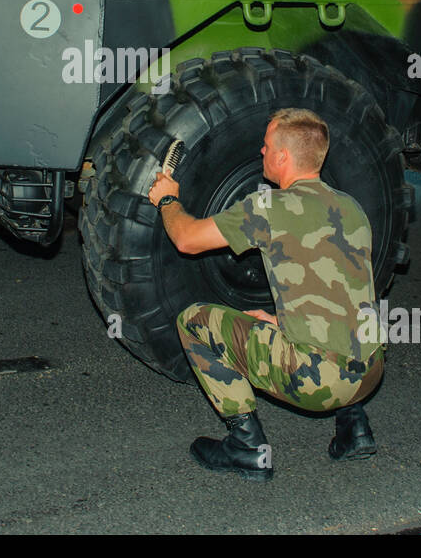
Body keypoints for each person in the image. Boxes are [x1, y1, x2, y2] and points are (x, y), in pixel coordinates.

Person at [148, 108, 384, 481]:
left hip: (319, 382)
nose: (261, 151)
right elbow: (342, 294)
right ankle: (354, 428)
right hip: (370, 372)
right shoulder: (351, 208)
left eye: (267, 145)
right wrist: (281, 322)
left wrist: (167, 200)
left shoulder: (269, 208)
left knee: (193, 322)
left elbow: (187, 239)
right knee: (284, 323)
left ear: (283, 157)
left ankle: (246, 447)